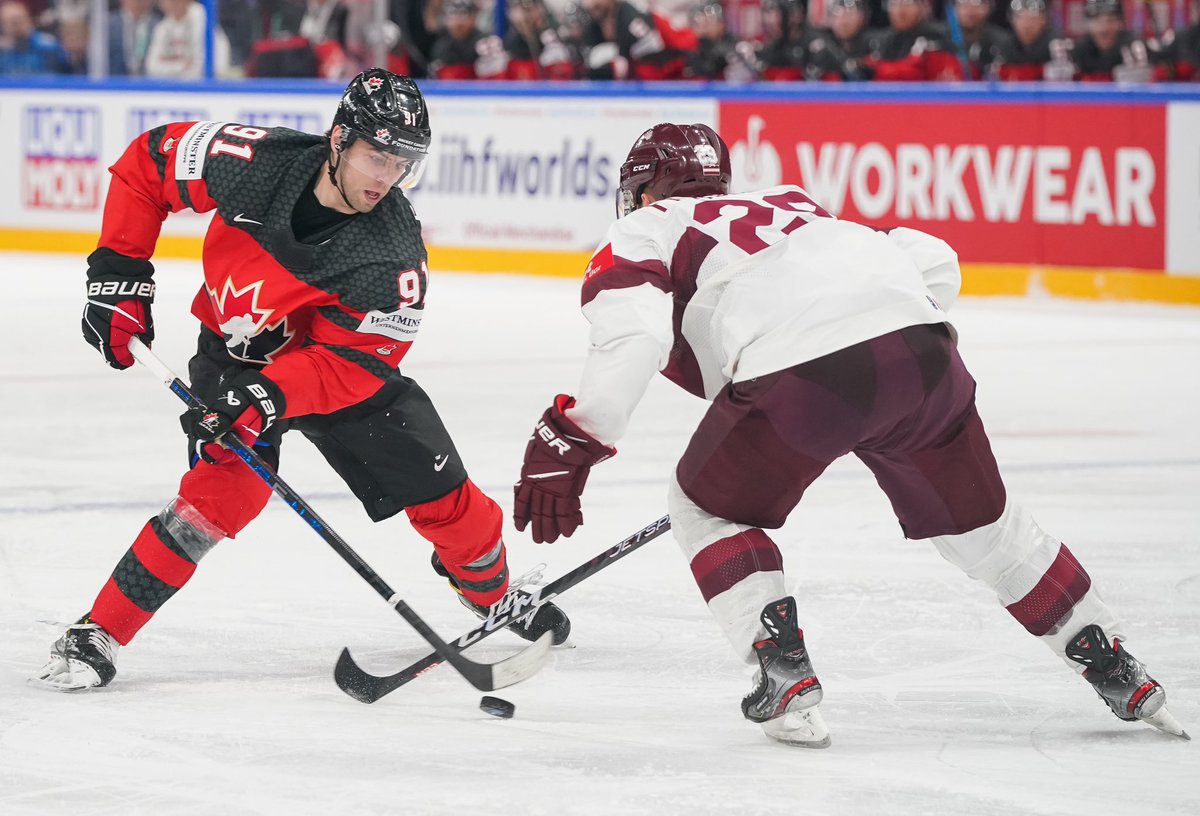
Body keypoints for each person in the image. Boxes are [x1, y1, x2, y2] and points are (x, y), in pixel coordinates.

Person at [511, 122, 1187, 747]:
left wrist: (576, 434)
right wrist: (877, 354)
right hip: (923, 356)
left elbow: (637, 335)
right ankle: (1113, 659)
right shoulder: (795, 204)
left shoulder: (650, 226)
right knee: (988, 530)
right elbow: (933, 257)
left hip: (801, 381)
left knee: (705, 509)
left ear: (644, 190)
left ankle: (783, 670)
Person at [33, 69, 569, 693]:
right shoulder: (254, 163)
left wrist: (273, 394)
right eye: (376, 156)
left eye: (403, 164)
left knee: (452, 503)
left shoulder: (391, 254)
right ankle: (100, 630)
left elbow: (354, 363)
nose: (385, 178)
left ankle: (491, 594)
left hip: (332, 370)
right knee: (219, 496)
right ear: (339, 139)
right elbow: (147, 163)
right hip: (235, 352)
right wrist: (119, 267)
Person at [0, 0, 70, 75]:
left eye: (21, 19)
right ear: (2, 26)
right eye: (13, 22)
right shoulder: (2, 51)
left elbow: (66, 73)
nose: (18, 26)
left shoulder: (49, 45)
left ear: (29, 20)